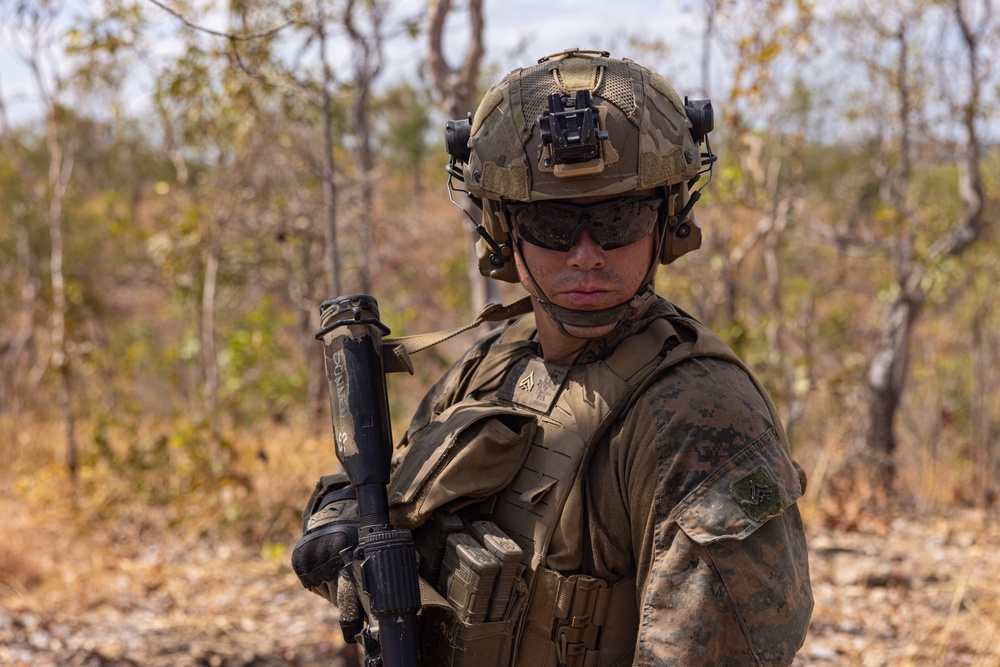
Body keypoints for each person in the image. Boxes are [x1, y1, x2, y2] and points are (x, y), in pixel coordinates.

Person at [293, 48, 813, 666]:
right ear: (503, 229)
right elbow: (385, 496)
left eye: (619, 218)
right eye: (554, 224)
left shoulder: (699, 415)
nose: (587, 255)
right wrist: (337, 531)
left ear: (667, 218)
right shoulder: (496, 363)